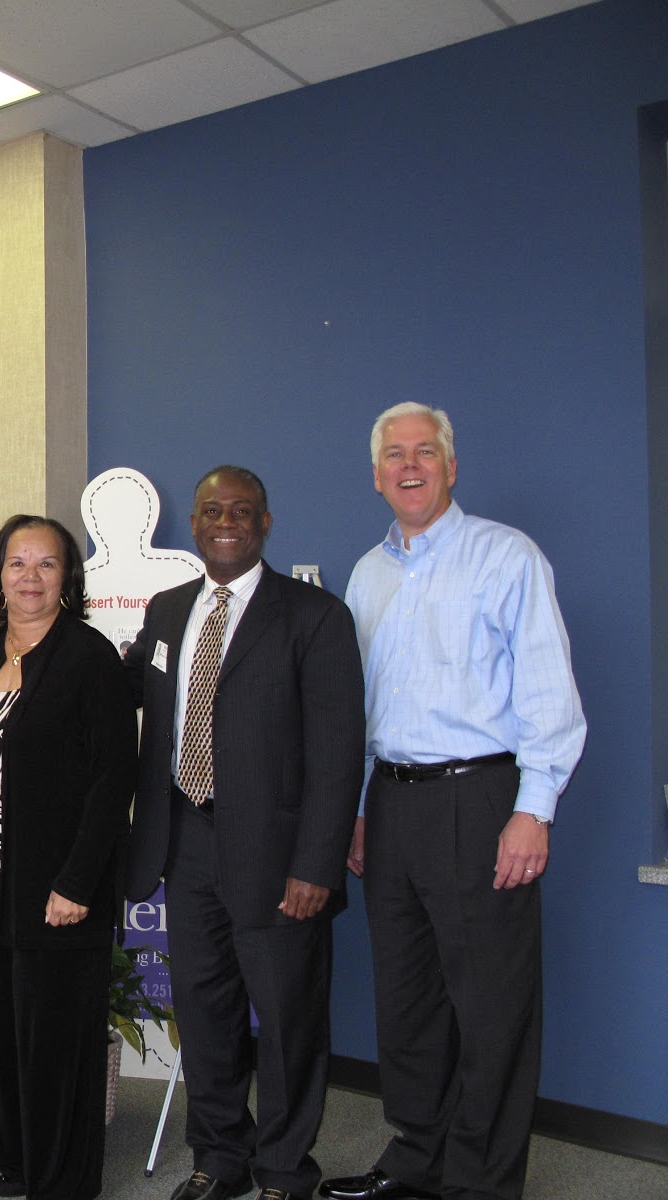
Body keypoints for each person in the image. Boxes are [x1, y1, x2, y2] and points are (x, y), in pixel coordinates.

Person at [320, 405, 585, 1200]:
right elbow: (366, 708)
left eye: (424, 452)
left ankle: (481, 1181)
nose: (409, 466)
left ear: (451, 466)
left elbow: (550, 695)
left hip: (483, 800)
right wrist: (363, 807)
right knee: (407, 1000)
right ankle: (417, 1158)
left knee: (492, 1006)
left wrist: (533, 810)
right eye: (393, 455)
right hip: (393, 807)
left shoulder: (506, 557)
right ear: (375, 474)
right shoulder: (369, 572)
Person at [125, 466, 366, 1200]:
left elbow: (337, 750)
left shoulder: (315, 616)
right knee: (205, 1012)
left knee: (290, 1017)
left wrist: (316, 865)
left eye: (241, 510)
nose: (224, 521)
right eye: (211, 511)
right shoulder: (167, 611)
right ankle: (220, 1156)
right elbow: (126, 692)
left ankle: (287, 1168)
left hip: (279, 856)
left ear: (265, 523)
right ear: (194, 525)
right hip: (185, 840)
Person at [0, 514, 137, 1200]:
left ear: (68, 578)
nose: (30, 577)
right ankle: (24, 1161)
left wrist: (78, 880)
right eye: (17, 564)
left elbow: (115, 778)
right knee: (7, 1025)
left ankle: (63, 1181)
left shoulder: (88, 657)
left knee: (57, 1037)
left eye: (47, 564)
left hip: (59, 883)